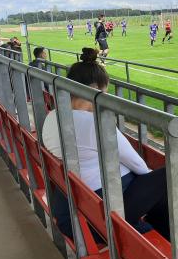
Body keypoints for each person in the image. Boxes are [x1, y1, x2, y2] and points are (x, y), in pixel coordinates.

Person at [41, 48, 171, 240]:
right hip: (95, 220)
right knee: (167, 176)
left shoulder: (51, 116)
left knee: (153, 185)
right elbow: (138, 166)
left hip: (71, 210)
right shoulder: (96, 124)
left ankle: (152, 233)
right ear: (94, 90)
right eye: (105, 93)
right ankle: (163, 243)